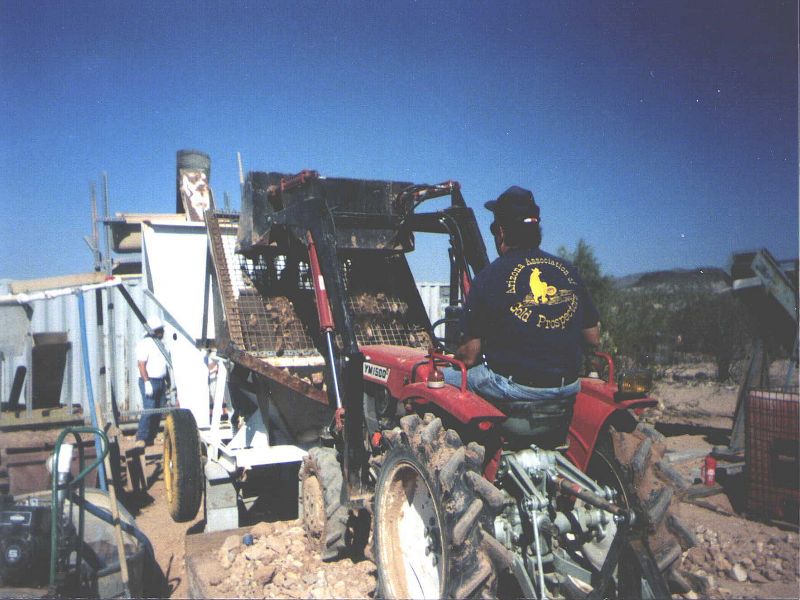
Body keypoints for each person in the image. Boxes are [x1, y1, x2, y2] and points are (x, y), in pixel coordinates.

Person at [444, 186, 600, 447]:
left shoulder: (489, 277)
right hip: (566, 390)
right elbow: (593, 339)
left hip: (514, 392)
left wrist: (451, 361)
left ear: (501, 232)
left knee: (440, 380)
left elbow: (469, 355)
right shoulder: (568, 271)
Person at [135, 317, 169, 448]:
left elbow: (164, 364)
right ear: (154, 331)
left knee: (158, 410)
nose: (162, 332)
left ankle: (150, 436)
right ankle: (141, 437)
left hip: (160, 381)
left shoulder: (161, 344)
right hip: (150, 381)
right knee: (149, 409)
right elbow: (141, 365)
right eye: (160, 330)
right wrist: (146, 382)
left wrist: (168, 381)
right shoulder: (145, 344)